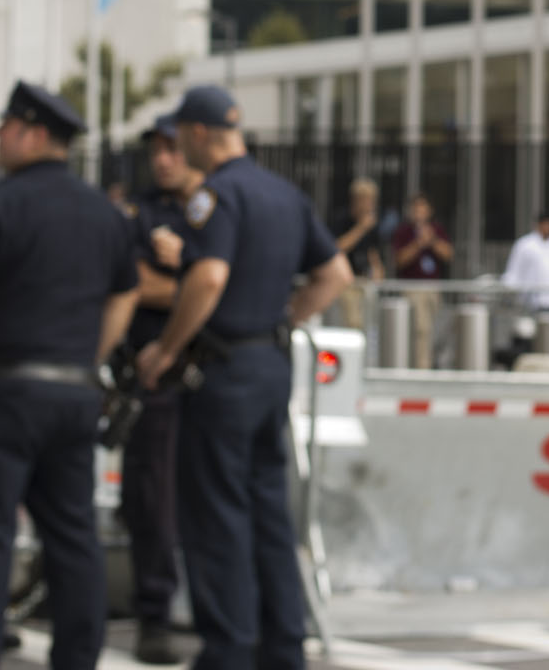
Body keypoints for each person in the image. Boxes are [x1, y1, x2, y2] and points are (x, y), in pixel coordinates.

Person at [135, 85, 352, 670]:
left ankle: (227, 650)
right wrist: (286, 317)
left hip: (224, 369)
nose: (178, 147)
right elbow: (336, 272)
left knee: (217, 517)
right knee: (269, 514)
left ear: (200, 133)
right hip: (271, 366)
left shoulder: (216, 196)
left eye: (181, 135)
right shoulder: (283, 193)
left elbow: (207, 280)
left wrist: (164, 349)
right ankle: (283, 649)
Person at [0, 80, 139, 669]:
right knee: (73, 533)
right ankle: (79, 658)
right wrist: (88, 355)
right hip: (77, 391)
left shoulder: (8, 203)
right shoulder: (104, 213)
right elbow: (125, 295)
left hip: (11, 388)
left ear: (31, 132)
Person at [118, 113, 204, 665]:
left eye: (172, 147)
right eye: (157, 149)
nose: (164, 158)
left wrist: (185, 274)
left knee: (209, 498)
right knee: (147, 499)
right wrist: (190, 285)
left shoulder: (217, 205)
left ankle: (218, 609)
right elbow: (132, 281)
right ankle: (154, 613)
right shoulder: (139, 211)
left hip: (211, 379)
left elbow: (230, 282)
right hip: (152, 378)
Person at [390, 192, 452, 368]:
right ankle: (421, 367)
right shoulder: (404, 232)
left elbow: (448, 254)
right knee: (420, 330)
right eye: (416, 208)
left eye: (423, 208)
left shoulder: (436, 230)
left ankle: (428, 362)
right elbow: (399, 260)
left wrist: (431, 241)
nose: (419, 212)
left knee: (432, 330)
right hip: (413, 287)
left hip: (433, 287)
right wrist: (418, 243)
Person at [327, 177, 386, 332]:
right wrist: (361, 228)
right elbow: (338, 248)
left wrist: (378, 270)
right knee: (353, 323)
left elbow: (373, 252)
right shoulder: (341, 220)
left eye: (372, 200)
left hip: (365, 280)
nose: (370, 205)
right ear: (356, 200)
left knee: (370, 324)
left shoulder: (373, 225)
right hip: (346, 281)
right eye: (366, 200)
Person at [502, 213, 549, 312]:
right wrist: (508, 290)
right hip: (529, 302)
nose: (548, 227)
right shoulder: (524, 244)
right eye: (546, 224)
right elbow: (514, 271)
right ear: (539, 225)